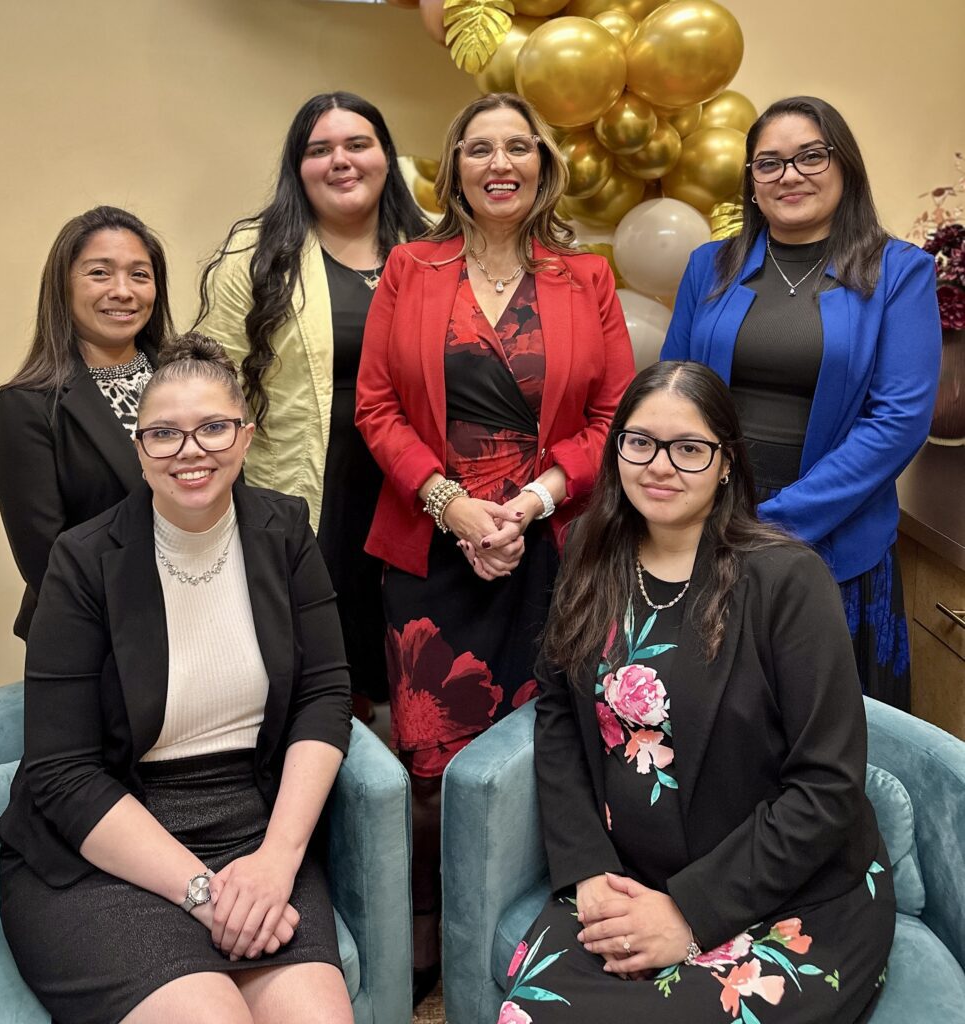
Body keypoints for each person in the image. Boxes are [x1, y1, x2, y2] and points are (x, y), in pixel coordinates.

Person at [501, 361, 894, 1024]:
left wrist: (687, 913)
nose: (659, 466)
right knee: (531, 1012)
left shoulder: (787, 581)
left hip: (787, 896)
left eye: (688, 449)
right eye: (640, 442)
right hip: (628, 875)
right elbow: (558, 710)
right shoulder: (590, 553)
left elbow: (827, 787)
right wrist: (586, 869)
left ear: (726, 463)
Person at [355, 92, 635, 1001]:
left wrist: (530, 501)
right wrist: (452, 507)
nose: (499, 163)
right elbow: (375, 408)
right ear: (455, 169)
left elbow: (612, 417)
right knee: (429, 768)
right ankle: (431, 938)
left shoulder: (585, 277)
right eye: (479, 148)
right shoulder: (410, 267)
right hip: (429, 548)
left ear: (543, 166)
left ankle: (526, 929)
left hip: (549, 548)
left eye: (519, 147)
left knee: (548, 753)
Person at [0, 334, 353, 1024]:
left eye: (214, 427)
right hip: (106, 848)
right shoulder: (83, 560)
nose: (191, 451)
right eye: (163, 434)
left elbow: (323, 696)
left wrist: (277, 861)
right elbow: (62, 773)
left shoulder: (284, 531)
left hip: (252, 836)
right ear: (139, 449)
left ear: (246, 435)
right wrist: (203, 894)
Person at [661, 95, 942, 711]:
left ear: (845, 165)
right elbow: (673, 392)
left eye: (811, 156)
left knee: (817, 723)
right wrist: (697, 508)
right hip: (707, 523)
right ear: (751, 181)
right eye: (769, 163)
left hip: (834, 533)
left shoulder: (899, 272)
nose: (790, 175)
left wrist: (773, 522)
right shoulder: (709, 266)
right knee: (706, 718)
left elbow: (898, 421)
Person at [196, 92, 428, 722]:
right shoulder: (256, 252)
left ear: (386, 156)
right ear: (297, 167)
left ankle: (412, 777)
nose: (340, 161)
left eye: (357, 144)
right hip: (304, 493)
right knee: (315, 670)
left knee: (415, 666)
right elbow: (212, 383)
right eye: (319, 149)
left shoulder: (436, 249)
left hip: (417, 487)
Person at [0, 205, 173, 639]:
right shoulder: (28, 405)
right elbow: (46, 559)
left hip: (208, 610)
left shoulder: (192, 379)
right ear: (63, 286)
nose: (122, 291)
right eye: (100, 273)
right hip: (96, 633)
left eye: (139, 275)